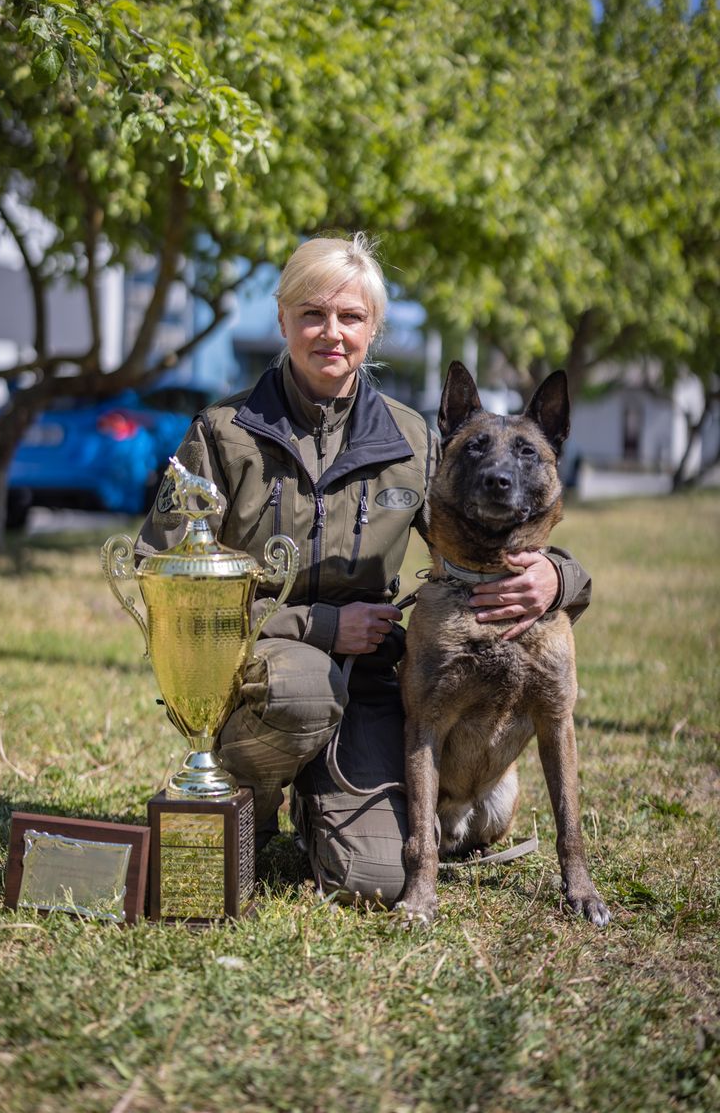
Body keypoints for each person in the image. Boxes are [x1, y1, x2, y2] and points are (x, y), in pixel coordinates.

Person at [135, 232, 591, 906]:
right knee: (301, 687)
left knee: (375, 879)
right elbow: (160, 577)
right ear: (283, 318)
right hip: (258, 668)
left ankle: (322, 808)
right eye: (313, 314)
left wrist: (560, 575)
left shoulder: (414, 440)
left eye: (350, 317)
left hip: (371, 685)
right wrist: (319, 624)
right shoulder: (221, 432)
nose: (332, 333)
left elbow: (476, 531)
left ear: (373, 330)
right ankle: (246, 802)